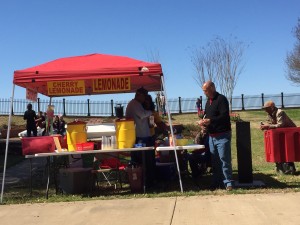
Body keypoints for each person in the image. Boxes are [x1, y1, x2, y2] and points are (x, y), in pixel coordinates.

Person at [198, 81, 233, 190]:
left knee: (224, 159)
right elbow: (206, 116)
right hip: (211, 136)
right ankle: (216, 182)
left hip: (222, 135)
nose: (204, 93)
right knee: (214, 160)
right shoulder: (208, 102)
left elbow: (224, 116)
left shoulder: (221, 99)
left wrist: (210, 120)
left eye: (206, 90)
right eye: (203, 90)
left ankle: (228, 183)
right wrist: (203, 123)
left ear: (212, 88)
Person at [125, 87, 156, 187]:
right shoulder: (134, 104)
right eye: (144, 96)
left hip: (143, 135)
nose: (145, 99)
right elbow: (142, 115)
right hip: (140, 136)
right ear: (139, 95)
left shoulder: (136, 104)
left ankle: (146, 181)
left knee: (146, 160)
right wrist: (151, 112)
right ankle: (145, 182)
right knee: (144, 161)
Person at [260, 100, 297, 174]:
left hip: (289, 134)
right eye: (264, 108)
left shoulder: (280, 112)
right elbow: (271, 124)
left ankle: (289, 169)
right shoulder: (269, 114)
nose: (265, 110)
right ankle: (281, 168)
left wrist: (268, 126)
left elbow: (280, 125)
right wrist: (265, 126)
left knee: (288, 151)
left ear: (272, 107)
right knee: (279, 151)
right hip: (280, 134)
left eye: (266, 108)